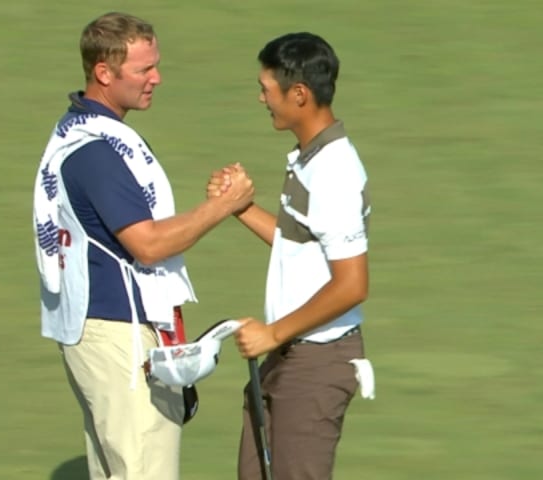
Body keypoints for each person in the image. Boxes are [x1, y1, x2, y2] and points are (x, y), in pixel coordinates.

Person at [32, 12, 254, 480]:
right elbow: (148, 245)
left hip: (99, 329)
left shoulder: (80, 132)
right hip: (119, 336)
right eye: (143, 70)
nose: (157, 78)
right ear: (104, 73)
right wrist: (226, 205)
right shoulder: (97, 153)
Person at [209, 32, 372, 480]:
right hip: (290, 355)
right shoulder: (309, 159)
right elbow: (300, 244)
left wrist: (273, 333)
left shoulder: (334, 170)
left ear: (298, 94)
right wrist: (238, 208)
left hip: (315, 361)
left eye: (267, 88)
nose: (261, 97)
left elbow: (353, 284)